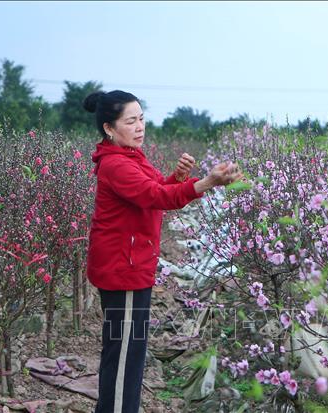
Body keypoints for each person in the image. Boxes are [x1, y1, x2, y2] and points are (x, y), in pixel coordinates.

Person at [83, 90, 242, 413]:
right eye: (130, 121)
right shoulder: (116, 165)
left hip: (132, 267)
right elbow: (156, 197)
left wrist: (179, 178)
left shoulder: (132, 157)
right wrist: (207, 182)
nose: (140, 126)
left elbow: (159, 189)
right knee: (124, 356)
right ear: (109, 129)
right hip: (123, 272)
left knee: (128, 353)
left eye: (141, 118)